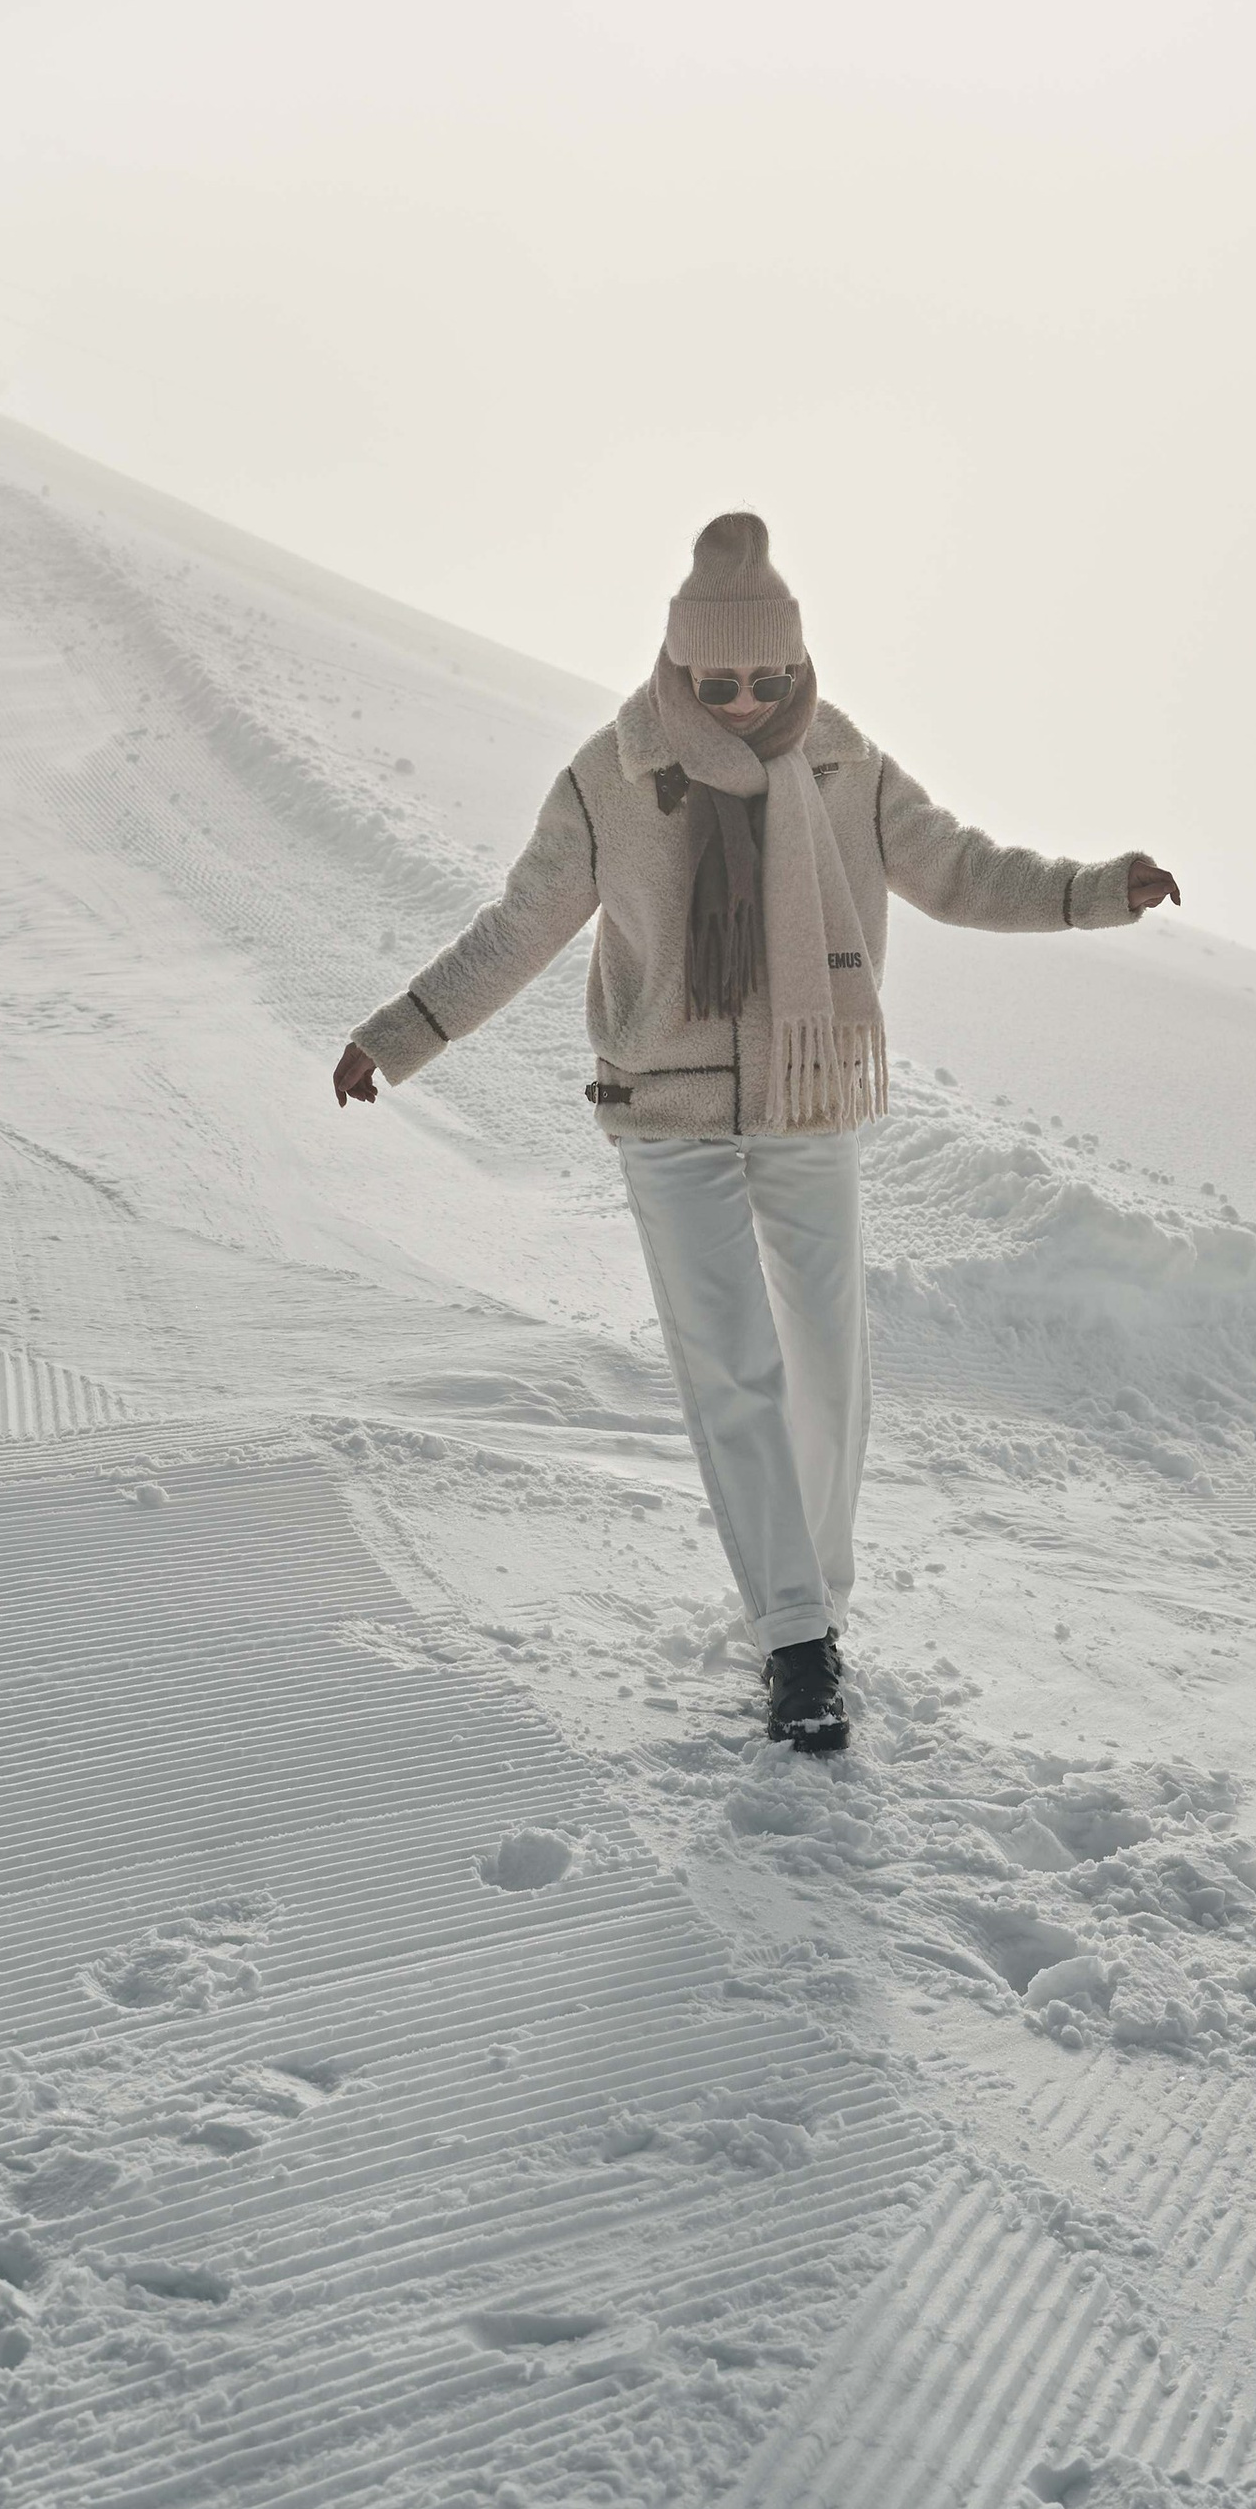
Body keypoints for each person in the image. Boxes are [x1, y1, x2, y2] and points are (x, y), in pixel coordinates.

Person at [332, 513, 1177, 1756]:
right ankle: (795, 1642)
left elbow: (959, 871)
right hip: (667, 1111)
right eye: (718, 681)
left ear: (794, 665)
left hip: (806, 1090)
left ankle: (812, 1593)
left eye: (766, 679)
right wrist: (404, 1032)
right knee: (733, 1364)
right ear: (677, 664)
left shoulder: (843, 763)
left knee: (828, 1358)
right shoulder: (610, 776)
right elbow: (519, 928)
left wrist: (1091, 890)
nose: (742, 703)